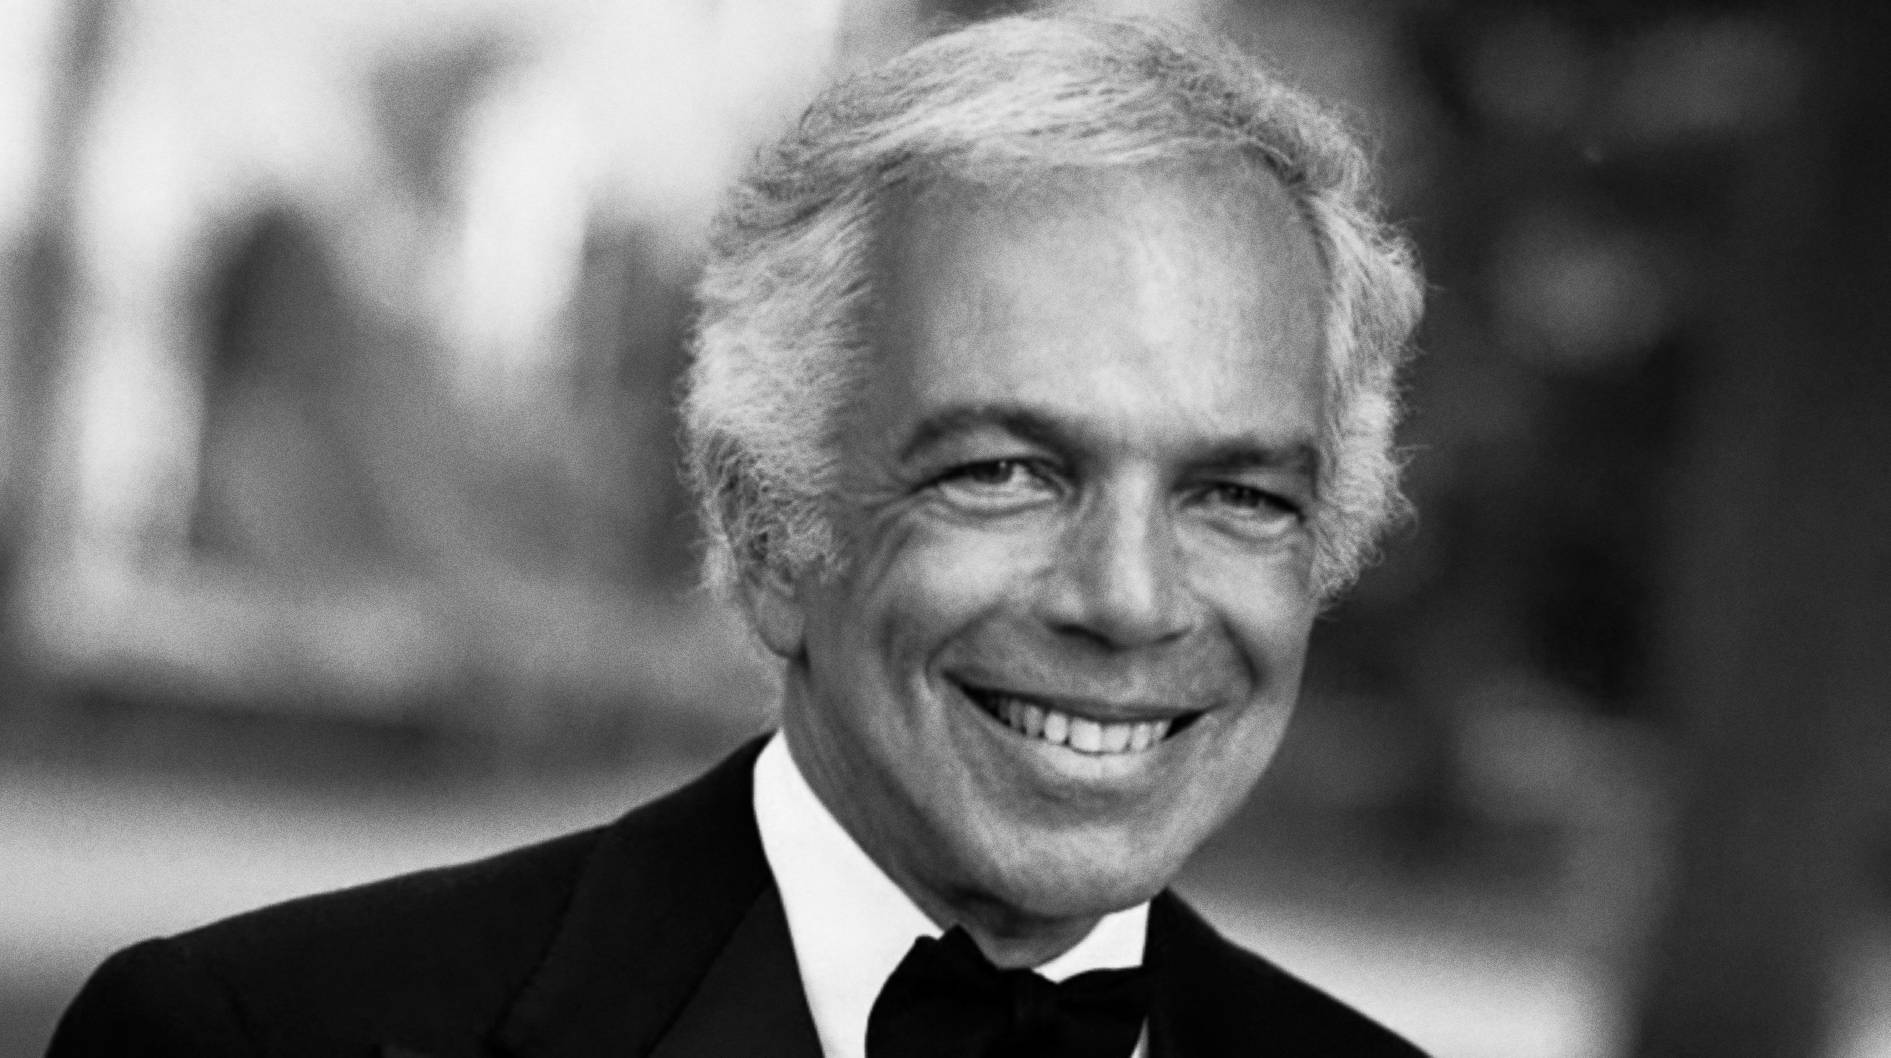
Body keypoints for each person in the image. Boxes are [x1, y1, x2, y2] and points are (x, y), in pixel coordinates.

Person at [49, 13, 1425, 1058]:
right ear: (767, 525)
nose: (1128, 599)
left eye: (1238, 496)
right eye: (1006, 472)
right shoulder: (250, 1035)